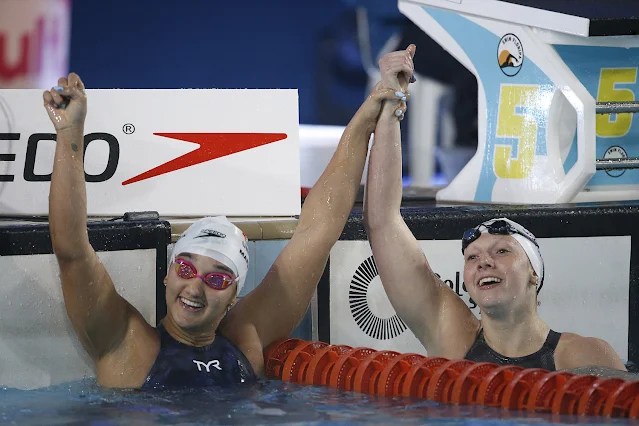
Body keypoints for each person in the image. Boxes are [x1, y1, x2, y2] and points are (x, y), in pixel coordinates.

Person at [43, 58, 408, 388]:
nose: (195, 288)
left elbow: (320, 228)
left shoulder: (246, 337)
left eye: (217, 278)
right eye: (186, 268)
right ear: (167, 274)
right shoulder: (126, 343)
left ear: (234, 295)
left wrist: (368, 115)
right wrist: (70, 136)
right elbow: (72, 250)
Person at [363, 44, 627, 372]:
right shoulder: (453, 339)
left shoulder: (583, 356)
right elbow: (383, 223)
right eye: (472, 257)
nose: (483, 261)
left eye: (502, 251)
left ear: (534, 273)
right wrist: (391, 101)